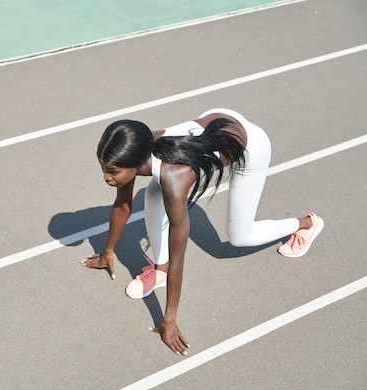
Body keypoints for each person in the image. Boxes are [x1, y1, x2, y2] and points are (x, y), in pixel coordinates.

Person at [80, 108, 324, 356]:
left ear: (135, 163)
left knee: (240, 236)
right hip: (218, 119)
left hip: (251, 146)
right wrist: (106, 252)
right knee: (153, 195)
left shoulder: (174, 178)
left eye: (112, 172)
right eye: (103, 168)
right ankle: (158, 271)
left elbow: (179, 260)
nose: (106, 177)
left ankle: (306, 224)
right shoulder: (133, 146)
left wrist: (169, 321)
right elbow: (123, 205)